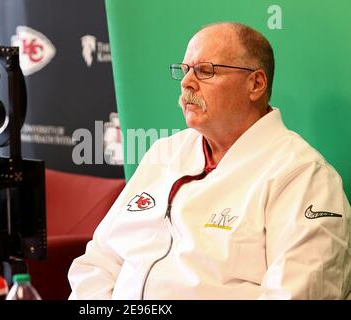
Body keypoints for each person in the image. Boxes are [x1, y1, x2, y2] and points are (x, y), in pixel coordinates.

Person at [68, 22, 351, 299]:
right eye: (185, 70)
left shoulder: (302, 175)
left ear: (255, 83)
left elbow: (297, 293)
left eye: (205, 71)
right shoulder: (164, 152)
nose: (187, 82)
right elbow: (98, 262)